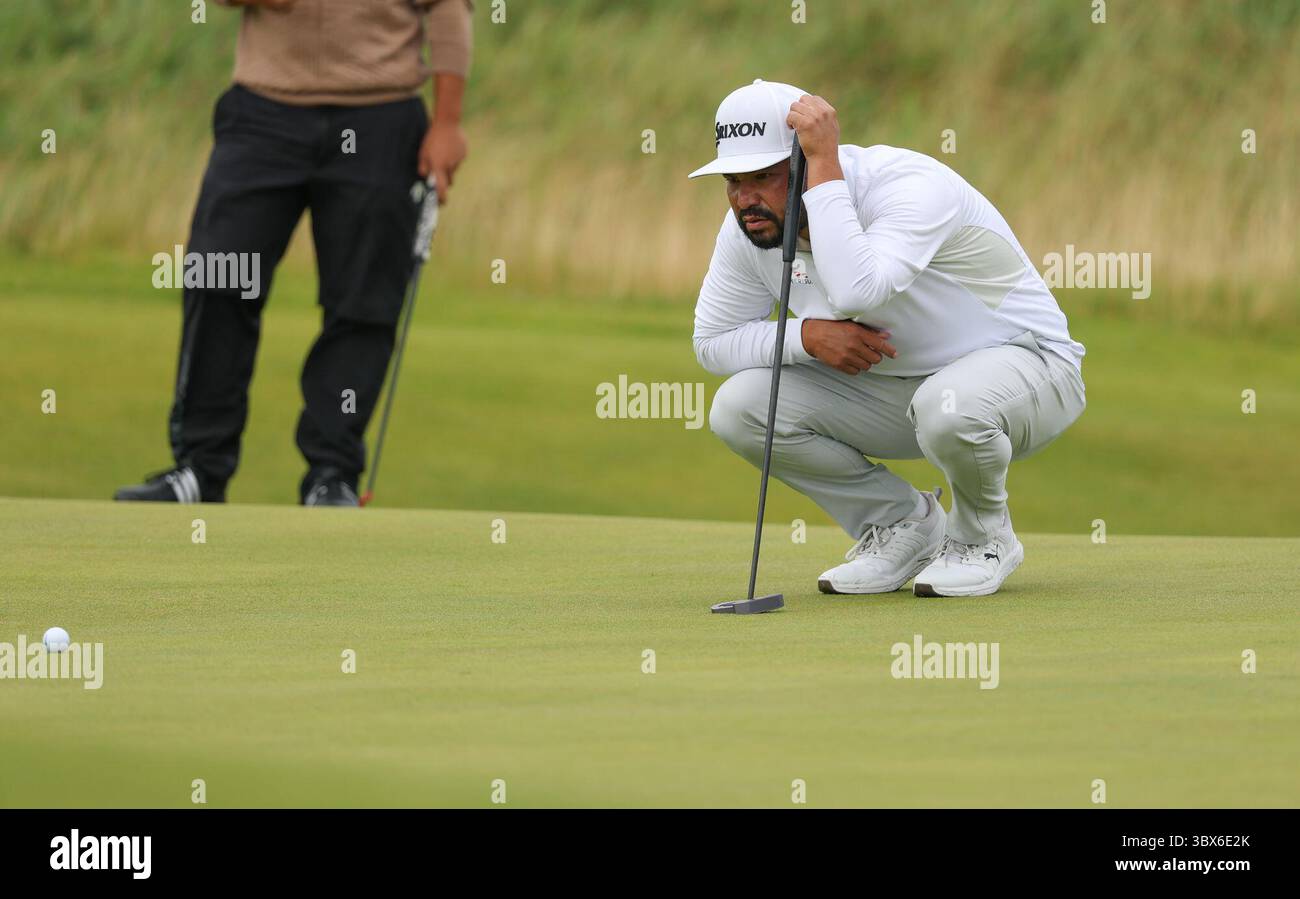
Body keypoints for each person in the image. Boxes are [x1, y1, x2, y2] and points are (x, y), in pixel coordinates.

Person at [690, 80, 1086, 597]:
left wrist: (823, 167)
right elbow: (712, 340)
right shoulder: (751, 223)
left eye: (763, 177)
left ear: (807, 161)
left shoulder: (907, 185)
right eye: (733, 181)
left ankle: (982, 537)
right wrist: (806, 337)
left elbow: (858, 290)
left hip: (1031, 369)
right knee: (739, 407)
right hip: (899, 392)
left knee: (949, 405)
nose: (746, 200)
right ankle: (905, 526)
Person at [114, 0, 472, 507]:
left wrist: (448, 121)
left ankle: (332, 475)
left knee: (362, 300)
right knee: (218, 275)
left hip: (381, 113)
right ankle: (199, 468)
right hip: (264, 109)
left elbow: (449, 6)